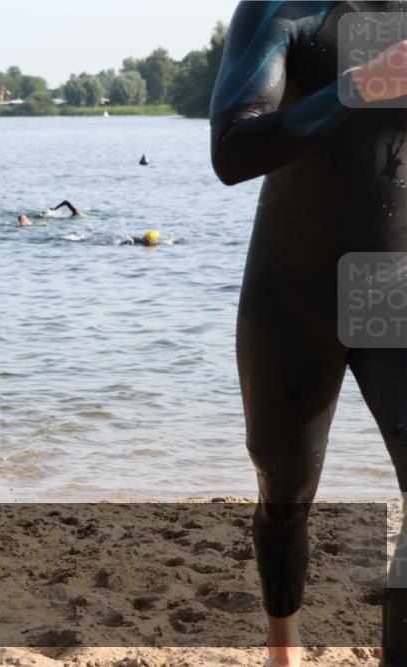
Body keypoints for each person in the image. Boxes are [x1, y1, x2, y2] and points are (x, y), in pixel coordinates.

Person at [210, 3, 406, 665]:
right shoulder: (283, 10)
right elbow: (233, 150)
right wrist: (354, 88)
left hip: (391, 282)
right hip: (293, 288)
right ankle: (282, 652)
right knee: (285, 493)